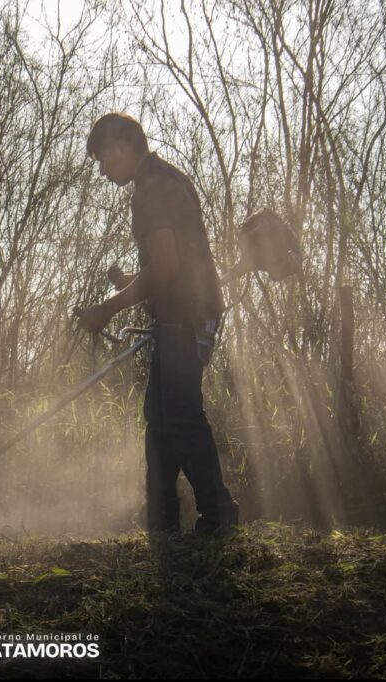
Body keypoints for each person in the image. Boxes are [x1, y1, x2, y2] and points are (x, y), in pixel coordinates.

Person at [77, 112, 239, 536]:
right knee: (161, 416)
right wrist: (132, 281)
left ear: (121, 145)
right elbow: (174, 263)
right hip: (186, 310)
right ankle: (162, 521)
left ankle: (217, 516)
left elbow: (166, 269)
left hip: (184, 315)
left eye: (102, 157)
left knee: (180, 415)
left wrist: (107, 308)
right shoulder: (171, 180)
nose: (102, 168)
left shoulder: (150, 190)